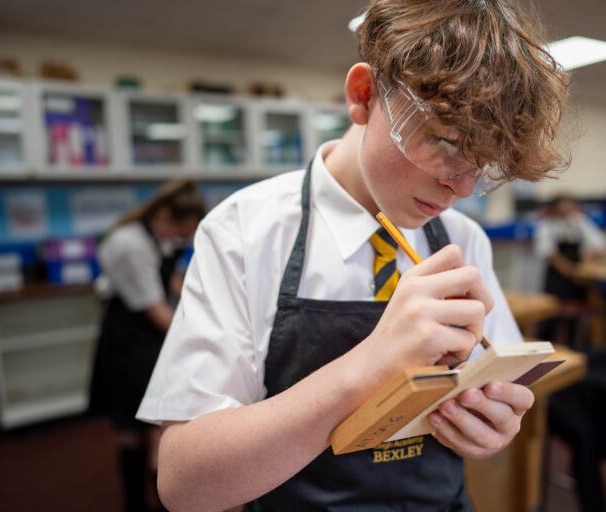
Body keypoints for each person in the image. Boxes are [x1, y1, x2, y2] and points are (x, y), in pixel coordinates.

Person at [137, 1, 570, 510]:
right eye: (446, 143)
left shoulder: (461, 238)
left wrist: (492, 425)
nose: (460, 187)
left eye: (484, 165)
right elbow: (184, 483)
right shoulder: (245, 231)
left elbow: (497, 383)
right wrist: (372, 362)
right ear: (363, 96)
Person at [89, 179, 207, 512]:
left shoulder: (157, 237)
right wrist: (200, 334)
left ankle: (162, 499)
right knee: (131, 428)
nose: (181, 238)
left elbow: (172, 282)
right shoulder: (128, 244)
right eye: (181, 230)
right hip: (128, 340)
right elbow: (154, 307)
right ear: (165, 214)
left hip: (151, 337)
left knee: (157, 423)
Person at [534, 194, 606, 345]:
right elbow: (547, 252)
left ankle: (574, 351)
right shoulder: (547, 225)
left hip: (577, 281)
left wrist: (584, 264)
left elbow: (599, 243)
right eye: (563, 205)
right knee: (551, 317)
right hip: (556, 279)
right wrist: (569, 270)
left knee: (575, 319)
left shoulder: (579, 222)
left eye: (570, 205)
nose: (567, 209)